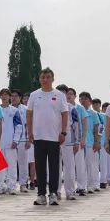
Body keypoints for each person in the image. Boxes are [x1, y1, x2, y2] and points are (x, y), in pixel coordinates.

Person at [27, 69, 69, 205]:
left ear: (52, 79)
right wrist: (30, 132)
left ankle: (53, 193)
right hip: (38, 136)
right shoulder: (34, 95)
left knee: (54, 167)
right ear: (39, 79)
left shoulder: (59, 95)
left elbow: (64, 114)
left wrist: (63, 132)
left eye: (48, 77)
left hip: (54, 137)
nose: (45, 79)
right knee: (40, 167)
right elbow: (29, 114)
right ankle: (41, 195)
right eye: (43, 77)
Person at [0, 89, 22, 195]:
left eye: (6, 95)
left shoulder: (14, 110)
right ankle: (1, 186)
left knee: (11, 165)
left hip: (10, 142)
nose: (4, 97)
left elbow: (19, 126)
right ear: (0, 97)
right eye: (2, 95)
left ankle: (12, 186)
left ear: (9, 97)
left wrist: (16, 140)